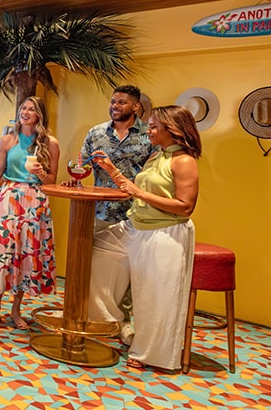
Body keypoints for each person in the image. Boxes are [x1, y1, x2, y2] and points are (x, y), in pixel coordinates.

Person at [88, 105, 203, 371]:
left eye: (153, 127)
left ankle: (149, 353)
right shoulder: (157, 155)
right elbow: (136, 187)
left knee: (156, 295)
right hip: (135, 226)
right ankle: (111, 321)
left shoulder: (183, 161)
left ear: (171, 130)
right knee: (96, 250)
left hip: (165, 231)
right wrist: (111, 170)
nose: (148, 131)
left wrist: (139, 194)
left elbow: (185, 207)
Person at [0, 96, 60, 329]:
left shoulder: (50, 143)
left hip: (36, 199)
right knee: (3, 251)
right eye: (23, 108)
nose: (25, 112)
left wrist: (41, 173)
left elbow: (52, 180)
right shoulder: (8, 140)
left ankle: (16, 310)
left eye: (31, 109)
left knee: (26, 252)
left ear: (40, 115)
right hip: (9, 197)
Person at [72, 85, 158, 231]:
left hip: (137, 216)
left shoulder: (150, 135)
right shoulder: (96, 133)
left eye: (122, 102)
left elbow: (153, 174)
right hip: (101, 213)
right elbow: (82, 164)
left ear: (136, 106)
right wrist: (74, 179)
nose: (115, 106)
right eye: (113, 102)